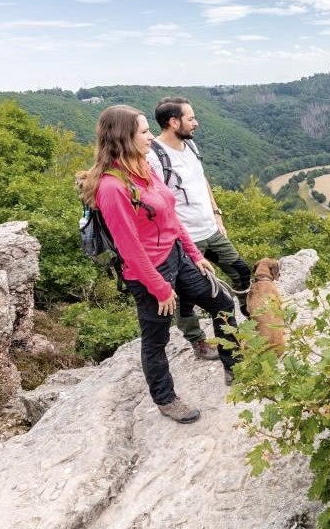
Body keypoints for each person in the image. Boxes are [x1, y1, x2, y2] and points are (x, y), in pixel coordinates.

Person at [78, 105, 239, 424]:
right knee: (156, 339)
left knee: (221, 302)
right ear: (125, 138)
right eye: (143, 132)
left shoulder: (142, 168)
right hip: (148, 272)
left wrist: (195, 255)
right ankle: (165, 399)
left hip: (177, 256)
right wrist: (160, 288)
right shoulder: (112, 188)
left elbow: (170, 216)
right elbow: (129, 247)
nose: (151, 136)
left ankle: (234, 365)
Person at [149, 97, 251, 360]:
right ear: (174, 122)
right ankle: (198, 341)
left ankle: (250, 315)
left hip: (209, 230)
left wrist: (216, 213)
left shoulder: (190, 146)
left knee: (240, 270)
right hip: (184, 239)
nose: (196, 122)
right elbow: (158, 201)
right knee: (187, 296)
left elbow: (201, 180)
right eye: (190, 118)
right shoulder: (154, 156)